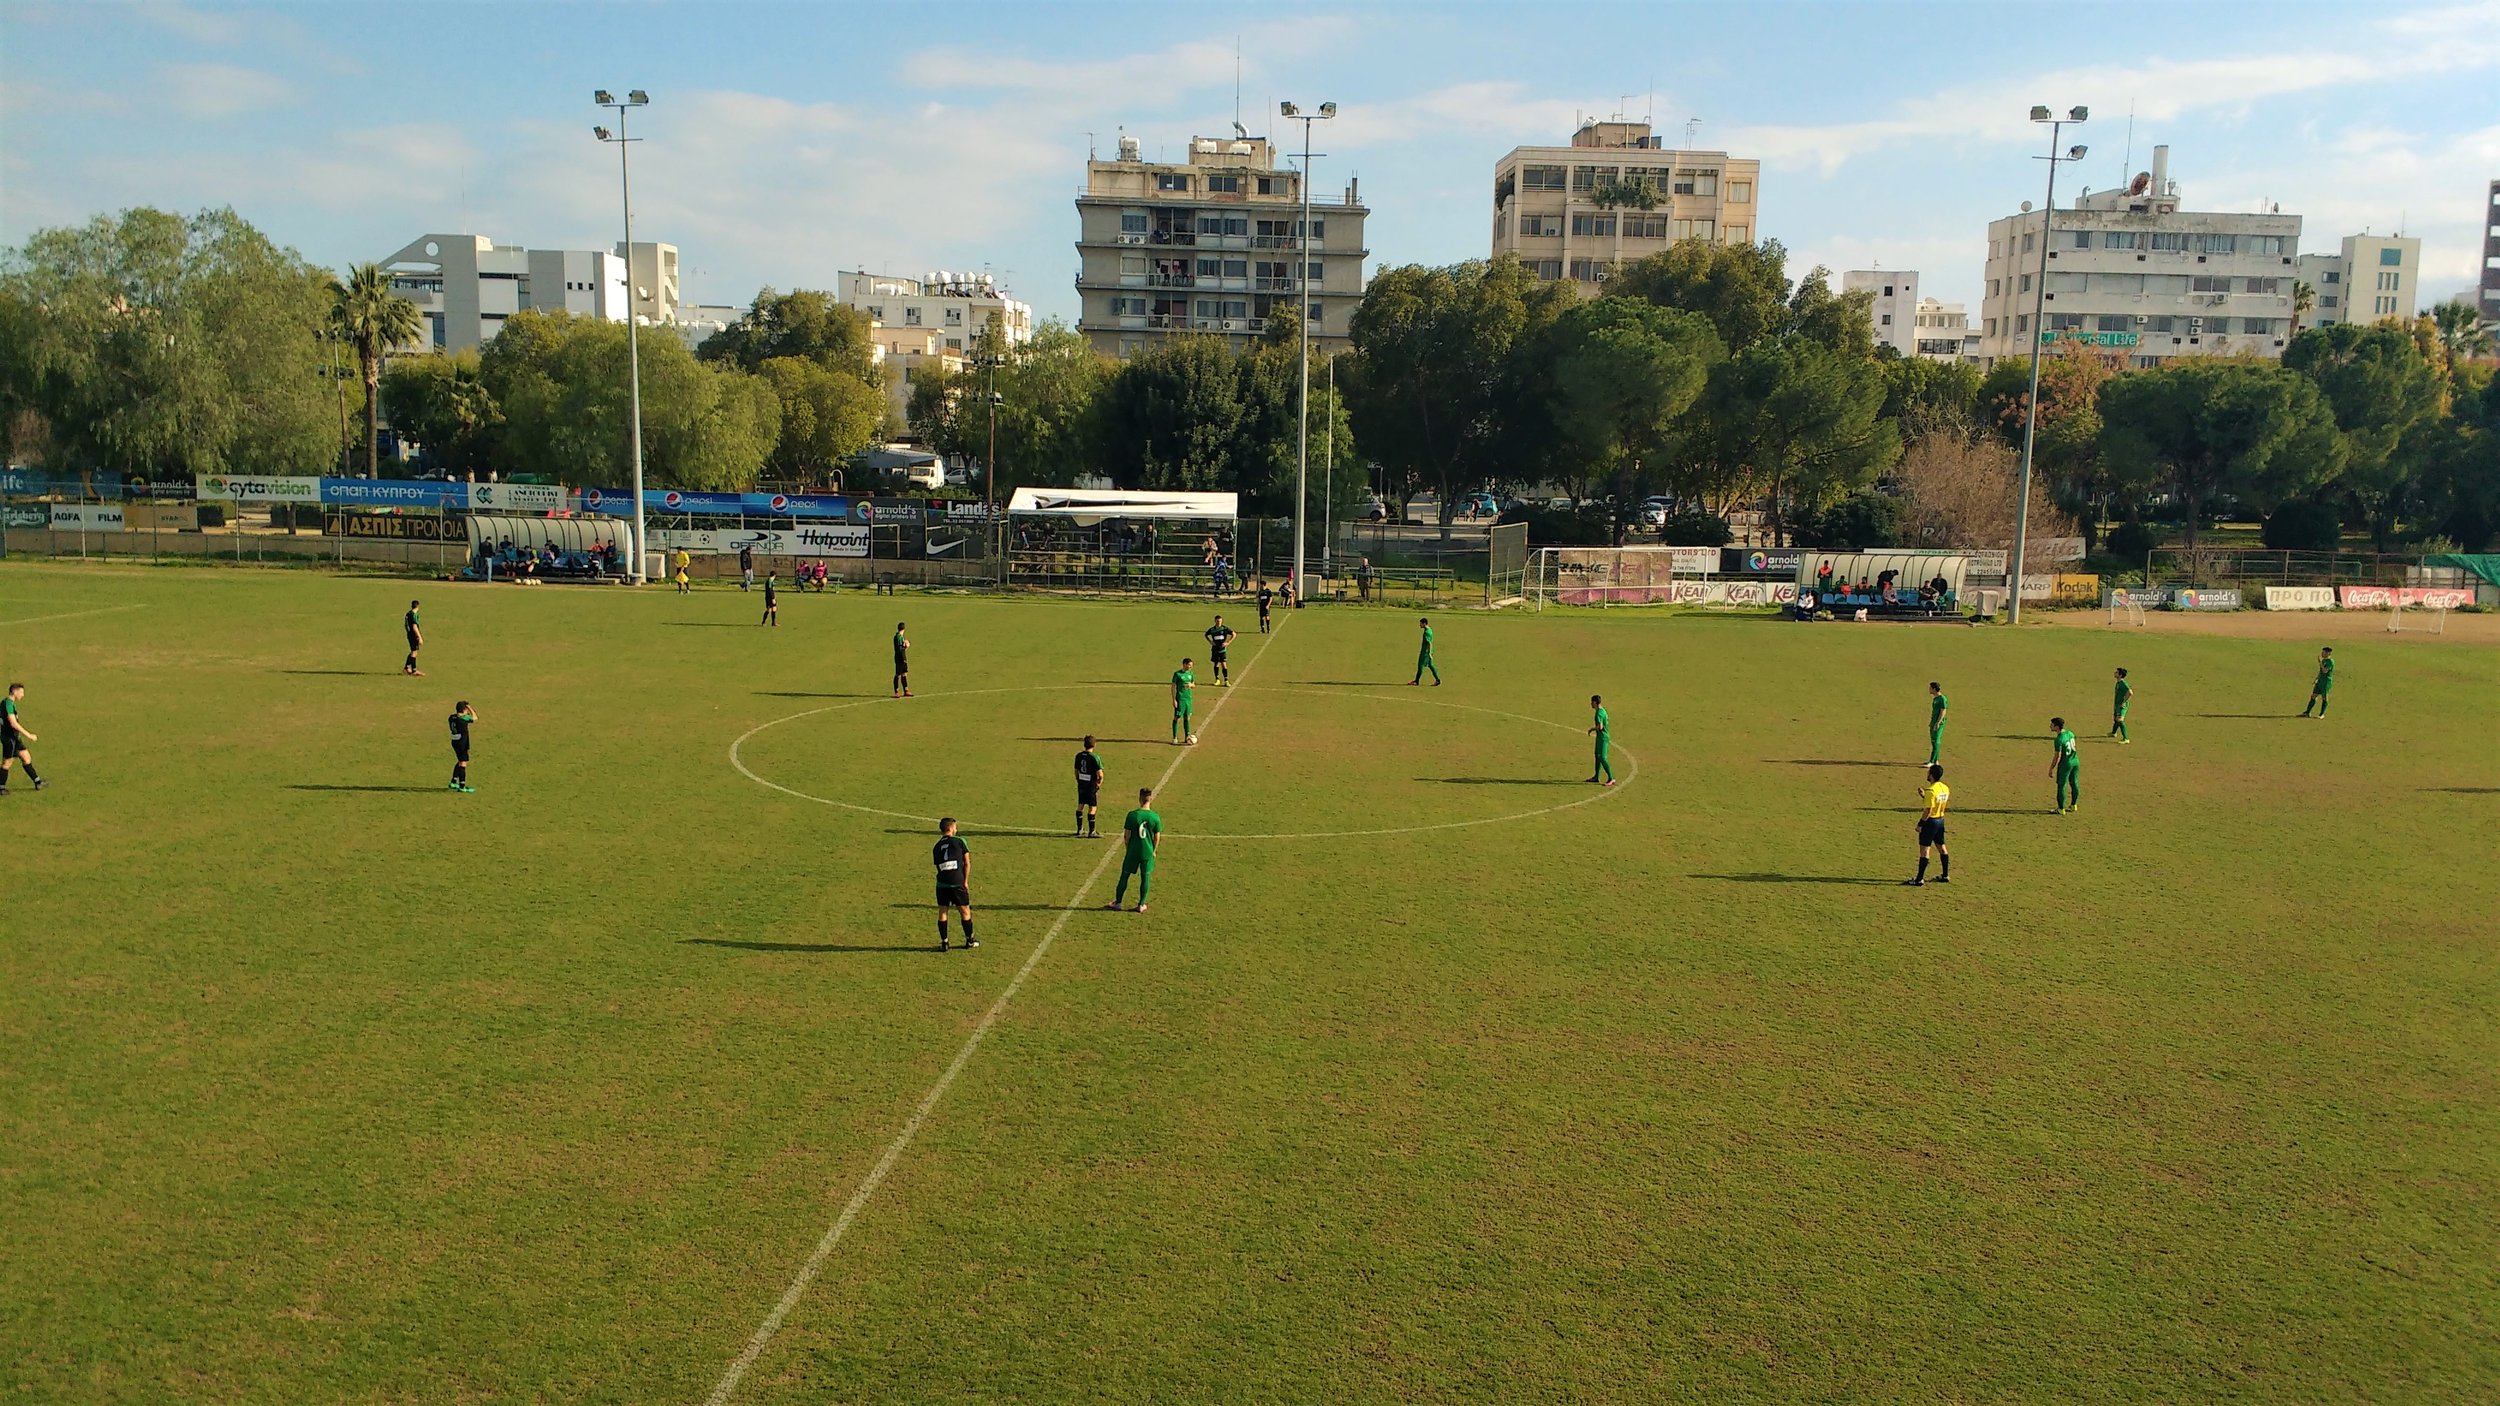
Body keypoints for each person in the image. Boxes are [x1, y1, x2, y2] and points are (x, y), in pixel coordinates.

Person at [1105, 787, 1162, 913]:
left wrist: (1128, 848)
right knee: (1145, 877)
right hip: (1147, 851)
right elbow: (1157, 837)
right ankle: (1141, 904)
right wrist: (1153, 850)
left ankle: (1118, 902)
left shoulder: (1132, 815)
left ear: (1139, 798)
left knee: (1124, 875)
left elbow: (1127, 835)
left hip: (1133, 851)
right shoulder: (1155, 817)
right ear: (1150, 799)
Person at [933, 817, 977, 950]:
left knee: (943, 911)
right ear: (951, 828)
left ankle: (944, 942)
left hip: (941, 883)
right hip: (957, 882)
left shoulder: (936, 846)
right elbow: (967, 863)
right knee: (965, 911)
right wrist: (965, 881)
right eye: (955, 827)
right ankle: (970, 940)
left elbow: (938, 866)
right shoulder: (960, 841)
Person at [1905, 763, 1951, 886]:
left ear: (1931, 775)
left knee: (1925, 850)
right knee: (1941, 847)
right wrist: (1923, 796)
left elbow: (1928, 810)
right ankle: (1945, 875)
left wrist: (1920, 824)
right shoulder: (1945, 788)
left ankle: (1919, 879)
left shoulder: (1931, 790)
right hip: (1941, 820)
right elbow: (1935, 803)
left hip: (1931, 822)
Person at [1, 683, 42, 793]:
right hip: (10, 739)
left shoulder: (6, 703)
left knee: (26, 757)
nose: (23, 695)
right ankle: (1, 788)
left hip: (14, 738)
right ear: (15, 691)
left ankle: (38, 782)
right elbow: (13, 723)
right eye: (21, 692)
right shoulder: (8, 704)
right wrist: (29, 735)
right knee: (7, 763)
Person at [1073, 735, 1105, 837]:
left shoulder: (1078, 756)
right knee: (1092, 807)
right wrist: (1099, 782)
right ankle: (1092, 831)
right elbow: (1100, 774)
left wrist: (1079, 780)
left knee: (1080, 805)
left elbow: (1076, 771)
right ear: (1094, 745)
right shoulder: (1094, 757)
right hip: (1091, 785)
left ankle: (1079, 829)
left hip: (1082, 784)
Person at [2051, 716, 2081, 814]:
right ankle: (2073, 805)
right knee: (2074, 783)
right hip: (2075, 761)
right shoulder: (2070, 733)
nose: (2050, 726)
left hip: (2066, 763)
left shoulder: (2059, 739)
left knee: (2062, 785)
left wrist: (2051, 768)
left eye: (2052, 724)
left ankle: (2061, 809)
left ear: (2056, 727)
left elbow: (2057, 756)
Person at [447, 700, 476, 793]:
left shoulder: (452, 717)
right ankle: (462, 786)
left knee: (460, 760)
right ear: (464, 710)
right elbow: (475, 718)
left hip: (454, 741)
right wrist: (470, 708)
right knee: (463, 762)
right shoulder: (463, 719)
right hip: (462, 742)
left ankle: (453, 781)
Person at [1587, 694, 1614, 786]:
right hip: (1600, 737)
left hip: (1603, 738)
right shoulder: (1602, 710)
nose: (1591, 704)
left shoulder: (1599, 713)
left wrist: (1592, 729)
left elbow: (1600, 727)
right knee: (1597, 756)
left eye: (1592, 702)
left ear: (1595, 702)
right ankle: (1596, 777)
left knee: (1602, 757)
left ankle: (1611, 778)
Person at [2300, 646, 2334, 718]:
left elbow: (2325, 671)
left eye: (2324, 652)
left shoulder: (2330, 662)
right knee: (2313, 695)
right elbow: (2321, 672)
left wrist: (2320, 663)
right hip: (2320, 681)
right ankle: (2307, 712)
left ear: (2328, 653)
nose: (2322, 653)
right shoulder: (2324, 661)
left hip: (2326, 682)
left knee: (2324, 697)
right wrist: (2316, 679)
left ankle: (2321, 714)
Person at [1170, 657, 1196, 744]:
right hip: (1180, 699)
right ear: (1184, 664)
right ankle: (1174, 737)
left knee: (1187, 718)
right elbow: (1173, 687)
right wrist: (1174, 699)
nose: (1190, 667)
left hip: (1188, 699)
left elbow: (1194, 685)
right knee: (1177, 718)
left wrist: (1190, 685)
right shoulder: (1177, 674)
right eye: (1189, 665)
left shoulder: (1191, 674)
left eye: (1191, 665)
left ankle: (1187, 737)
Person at [1204, 615, 1235, 685]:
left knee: (1224, 664)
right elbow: (1206, 635)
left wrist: (1228, 642)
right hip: (1215, 649)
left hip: (1222, 649)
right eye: (1217, 621)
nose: (1219, 622)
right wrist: (1210, 641)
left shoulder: (1224, 629)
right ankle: (1217, 679)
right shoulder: (1212, 629)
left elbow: (1234, 634)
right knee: (1216, 664)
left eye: (1220, 621)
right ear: (1215, 621)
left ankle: (1226, 680)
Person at [1410, 616, 1441, 686]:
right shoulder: (1430, 629)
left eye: (1420, 624)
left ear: (1424, 624)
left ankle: (1416, 681)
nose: (1419, 625)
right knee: (1431, 665)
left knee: (1420, 666)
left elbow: (1429, 643)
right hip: (1429, 652)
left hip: (1425, 653)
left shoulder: (1426, 632)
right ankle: (1438, 680)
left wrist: (1429, 653)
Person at [1927, 682, 1948, 765]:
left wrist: (1938, 723)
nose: (1929, 689)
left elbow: (1943, 711)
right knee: (1933, 742)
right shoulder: (1935, 699)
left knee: (1936, 741)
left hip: (1938, 723)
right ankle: (1936, 761)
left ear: (1934, 689)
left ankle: (1932, 761)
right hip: (1933, 722)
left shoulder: (1942, 699)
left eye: (1930, 688)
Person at [2110, 667, 2133, 742]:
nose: (2115, 673)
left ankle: (2126, 738)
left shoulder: (2123, 683)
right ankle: (2113, 733)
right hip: (2117, 704)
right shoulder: (2118, 683)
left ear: (2120, 675)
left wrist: (2123, 702)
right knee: (2116, 719)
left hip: (2122, 706)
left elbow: (2130, 692)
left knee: (2120, 720)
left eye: (2116, 672)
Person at [402, 599, 425, 676]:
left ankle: (407, 667)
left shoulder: (408, 614)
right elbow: (415, 627)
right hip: (413, 635)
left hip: (409, 634)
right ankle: (414, 670)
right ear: (418, 606)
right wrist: (419, 637)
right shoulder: (414, 615)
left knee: (413, 651)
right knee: (414, 652)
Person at [892, 622, 912, 697]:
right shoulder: (898, 637)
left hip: (903, 658)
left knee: (904, 673)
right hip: (899, 658)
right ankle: (896, 692)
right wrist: (906, 646)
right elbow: (899, 649)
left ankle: (906, 690)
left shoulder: (901, 637)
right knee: (898, 674)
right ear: (904, 629)